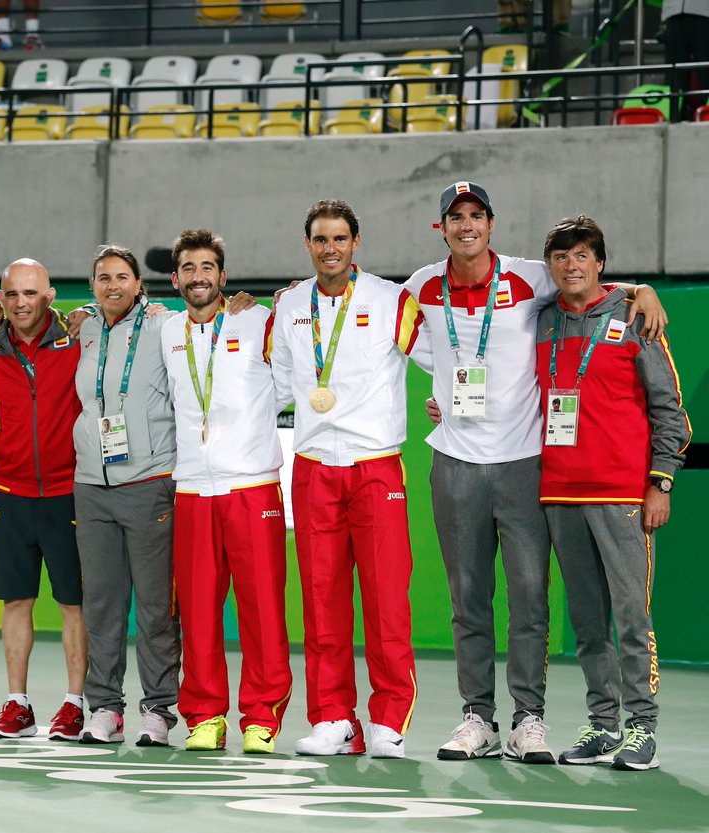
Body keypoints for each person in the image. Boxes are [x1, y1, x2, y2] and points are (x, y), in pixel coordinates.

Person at [405, 182, 667, 764]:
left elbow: (590, 286)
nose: (466, 225)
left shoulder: (532, 277)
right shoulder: (419, 286)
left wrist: (642, 288)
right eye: (455, 217)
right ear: (440, 227)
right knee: (468, 599)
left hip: (526, 466)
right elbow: (366, 318)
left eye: (477, 215)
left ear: (492, 224)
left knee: (530, 600)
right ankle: (478, 717)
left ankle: (529, 719)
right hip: (454, 463)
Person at [270, 201, 430, 759]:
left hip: (375, 466)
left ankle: (388, 721)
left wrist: (449, 403)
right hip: (313, 467)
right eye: (320, 239)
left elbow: (443, 355)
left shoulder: (392, 301)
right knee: (321, 601)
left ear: (356, 242)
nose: (330, 247)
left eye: (340, 238)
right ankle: (334, 718)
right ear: (308, 244)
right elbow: (278, 382)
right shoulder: (288, 305)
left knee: (387, 600)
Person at [535, 216, 690, 771]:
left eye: (582, 255)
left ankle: (641, 729)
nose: (571, 265)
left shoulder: (635, 317)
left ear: (599, 263)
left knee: (631, 618)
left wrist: (660, 482)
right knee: (587, 623)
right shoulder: (541, 319)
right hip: (558, 496)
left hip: (623, 495)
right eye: (560, 256)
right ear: (549, 265)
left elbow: (671, 413)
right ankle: (602, 725)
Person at [161, 229, 291, 754]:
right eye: (189, 268)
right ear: (175, 279)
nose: (198, 277)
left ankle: (261, 717)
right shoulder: (164, 330)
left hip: (252, 486)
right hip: (192, 489)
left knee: (262, 611)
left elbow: (294, 374)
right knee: (197, 613)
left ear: (223, 274)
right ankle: (205, 716)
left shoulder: (257, 321)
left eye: (207, 267)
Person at [72, 244, 181, 746]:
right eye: (102, 277)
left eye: (121, 276)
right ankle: (105, 708)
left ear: (139, 284)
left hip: (149, 482)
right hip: (92, 487)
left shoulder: (164, 326)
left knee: (156, 607)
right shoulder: (84, 328)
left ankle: (158, 710)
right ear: (92, 285)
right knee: (101, 605)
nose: (112, 285)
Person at [0, 258, 87, 741]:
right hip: (12, 494)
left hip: (70, 494)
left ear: (48, 294)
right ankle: (18, 704)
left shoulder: (79, 335)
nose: (21, 303)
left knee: (73, 604)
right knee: (16, 602)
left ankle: (75, 703)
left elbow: (121, 306)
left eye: (30, 293)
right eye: (11, 294)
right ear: (1, 298)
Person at [661, 0, 709, 120]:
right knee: (674, 75)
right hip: (673, 11)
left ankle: (706, 115)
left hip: (705, 11)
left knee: (706, 71)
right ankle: (674, 118)